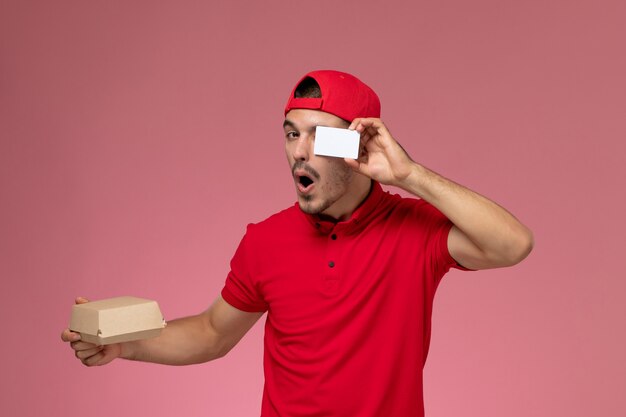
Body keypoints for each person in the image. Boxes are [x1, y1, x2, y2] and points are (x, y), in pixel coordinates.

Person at [62, 70, 533, 416]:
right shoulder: (265, 241)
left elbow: (511, 245)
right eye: (291, 134)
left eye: (317, 135)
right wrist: (124, 347)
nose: (298, 151)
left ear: (358, 144)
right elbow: (211, 333)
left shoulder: (414, 229)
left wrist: (410, 174)